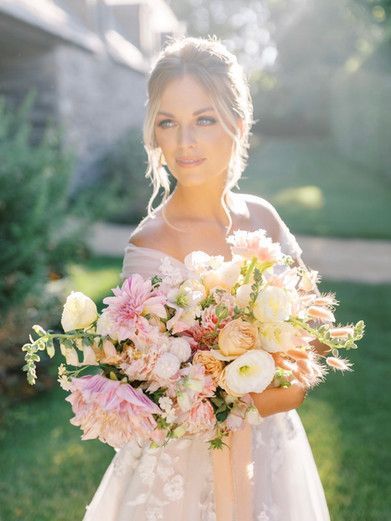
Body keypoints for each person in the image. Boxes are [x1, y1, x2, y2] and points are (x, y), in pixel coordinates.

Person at [83, 35, 331, 521]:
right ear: (154, 134)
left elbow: (316, 327)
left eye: (204, 120)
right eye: (168, 123)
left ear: (237, 125)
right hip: (184, 463)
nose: (184, 142)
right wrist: (242, 396)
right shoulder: (150, 245)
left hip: (271, 449)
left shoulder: (264, 218)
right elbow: (146, 385)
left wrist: (291, 382)